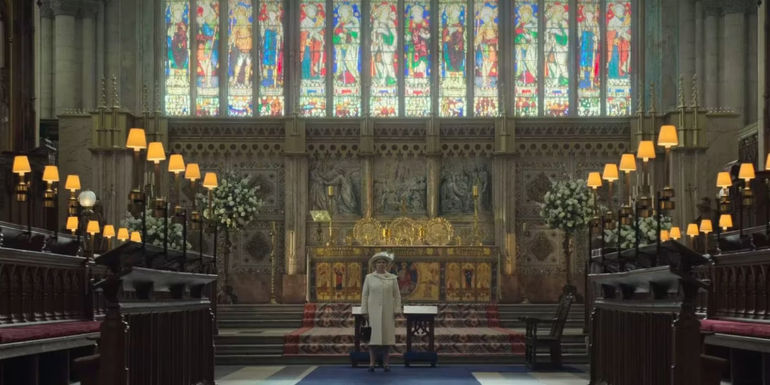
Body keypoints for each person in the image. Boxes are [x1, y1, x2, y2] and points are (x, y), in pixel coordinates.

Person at [361, 251, 401, 372]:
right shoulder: (369, 278)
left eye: (384, 262)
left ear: (386, 265)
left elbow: (397, 296)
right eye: (379, 262)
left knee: (386, 339)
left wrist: (397, 309)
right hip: (373, 312)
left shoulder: (392, 278)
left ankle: (386, 363)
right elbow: (365, 295)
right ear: (375, 264)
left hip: (388, 312)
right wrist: (365, 311)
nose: (381, 264)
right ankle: (372, 363)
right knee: (373, 340)